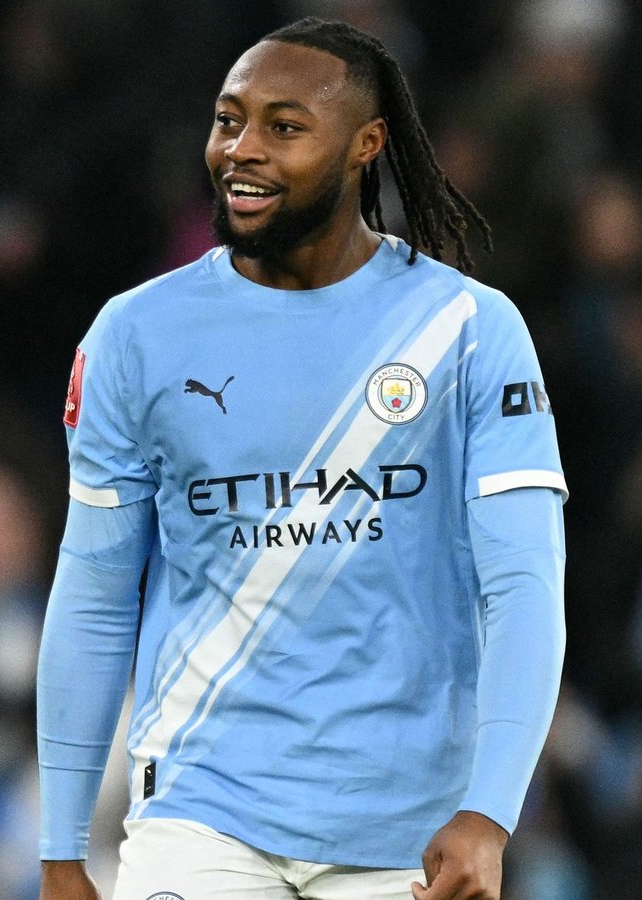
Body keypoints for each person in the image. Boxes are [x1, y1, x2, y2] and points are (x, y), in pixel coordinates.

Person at [36, 18, 566, 900]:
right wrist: (61, 848)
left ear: (366, 145)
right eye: (228, 120)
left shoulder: (468, 330)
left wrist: (489, 814)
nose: (241, 149)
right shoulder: (134, 336)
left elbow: (524, 587)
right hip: (201, 814)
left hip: (410, 830)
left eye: (283, 127)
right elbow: (93, 596)